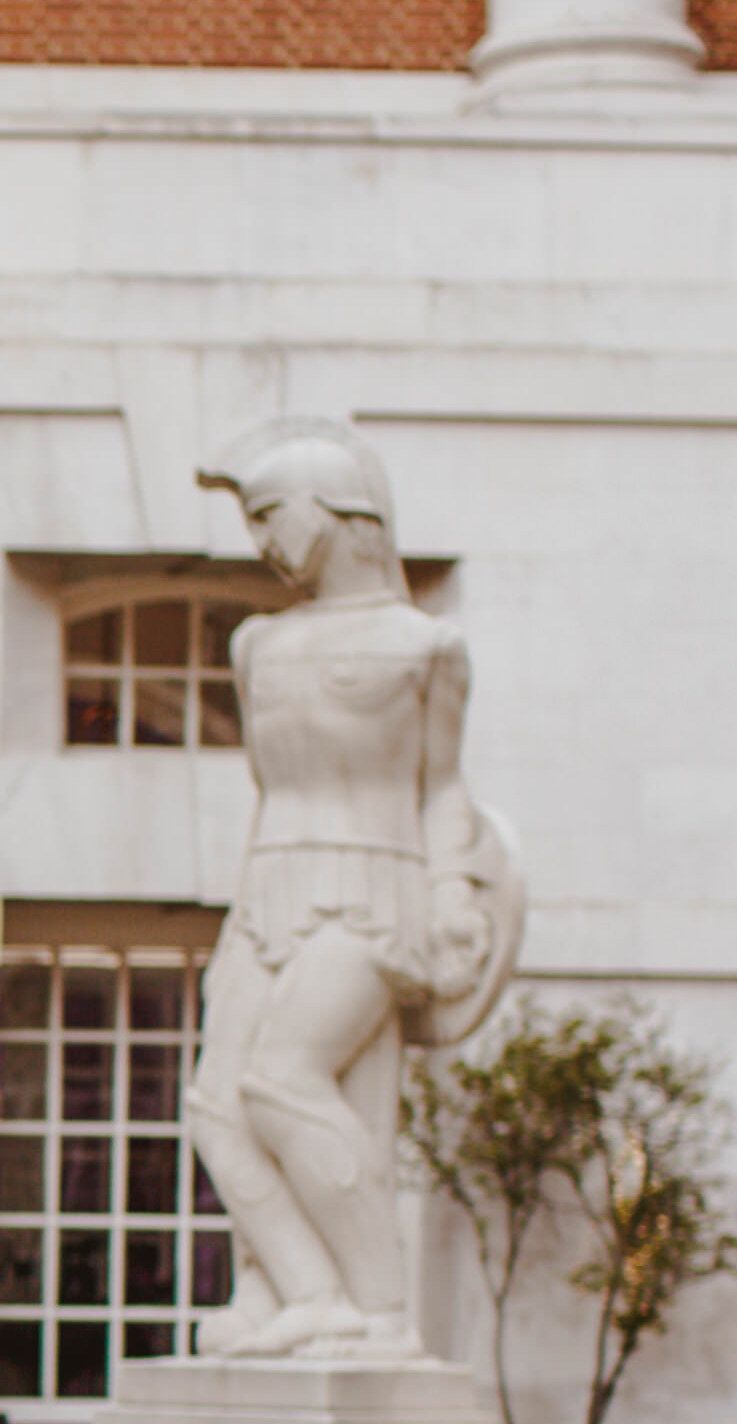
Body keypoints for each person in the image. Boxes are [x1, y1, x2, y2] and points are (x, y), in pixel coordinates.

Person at [179, 419, 518, 1364]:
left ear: (343, 512)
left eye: (271, 516)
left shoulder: (427, 647)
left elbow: (440, 784)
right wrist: (239, 925)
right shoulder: (256, 646)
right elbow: (266, 791)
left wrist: (455, 894)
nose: (262, 542)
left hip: (376, 883)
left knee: (284, 1077)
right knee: (215, 1104)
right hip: (272, 882)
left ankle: (378, 1308)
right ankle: (301, 1289)